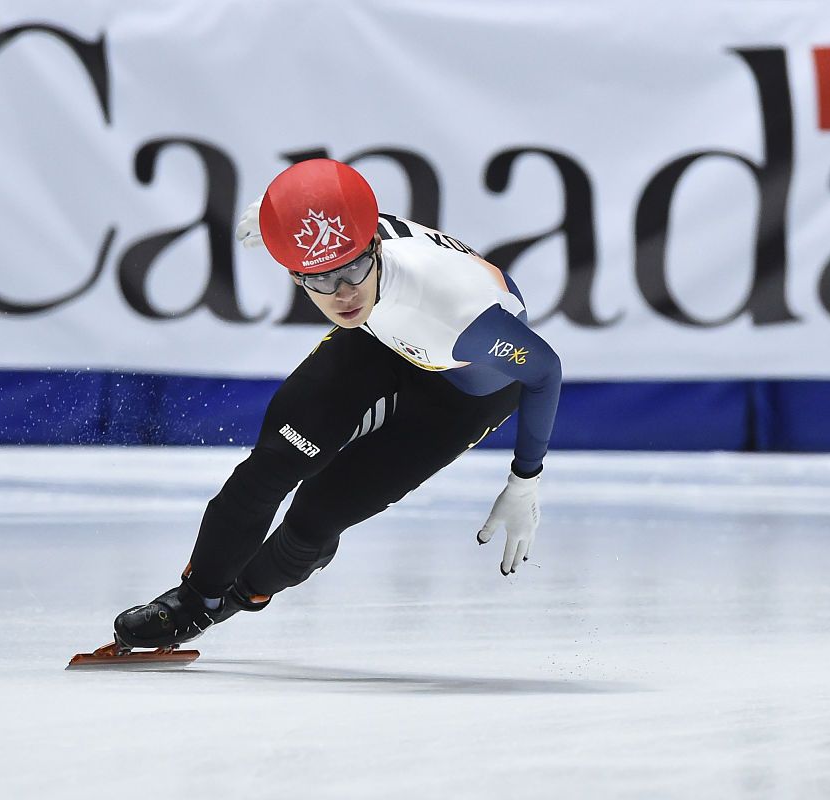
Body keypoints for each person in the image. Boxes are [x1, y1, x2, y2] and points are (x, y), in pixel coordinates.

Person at [113, 158, 562, 651]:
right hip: (379, 340)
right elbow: (328, 211)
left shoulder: (458, 308)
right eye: (320, 280)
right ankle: (194, 601)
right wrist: (278, 214)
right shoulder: (340, 253)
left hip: (462, 388)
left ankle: (239, 598)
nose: (343, 293)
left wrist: (525, 480)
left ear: (374, 246)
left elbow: (545, 370)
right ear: (294, 276)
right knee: (272, 466)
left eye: (354, 269)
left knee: (317, 515)